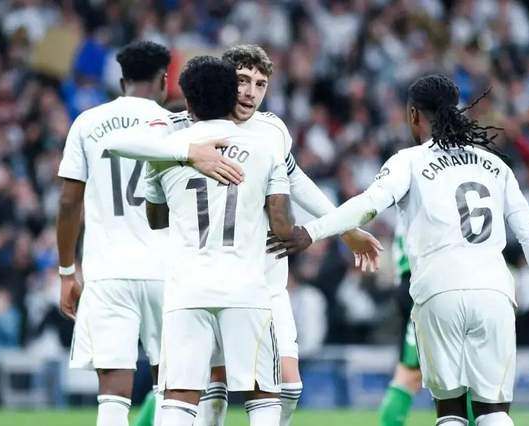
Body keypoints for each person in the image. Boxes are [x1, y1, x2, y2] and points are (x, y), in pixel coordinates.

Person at [273, 74, 529, 426]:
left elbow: (368, 205)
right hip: (494, 291)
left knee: (451, 410)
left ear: (413, 114)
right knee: (493, 411)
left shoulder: (409, 161)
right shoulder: (495, 165)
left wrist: (312, 230)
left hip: (437, 291)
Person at [120, 45, 383, 426]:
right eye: (243, 81)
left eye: (260, 84)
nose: (250, 92)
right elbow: (134, 146)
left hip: (265, 281)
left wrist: (346, 229)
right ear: (226, 82)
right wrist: (189, 153)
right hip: (223, 274)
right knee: (215, 384)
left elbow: (298, 181)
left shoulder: (272, 130)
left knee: (288, 387)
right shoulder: (183, 127)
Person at [56, 41, 242, 426]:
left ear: (122, 81)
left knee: (112, 391)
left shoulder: (87, 123)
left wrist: (66, 272)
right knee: (172, 387)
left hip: (108, 271)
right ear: (163, 79)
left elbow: (69, 201)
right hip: (168, 271)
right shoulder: (180, 125)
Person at [144, 55, 294, 426]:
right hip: (246, 288)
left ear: (187, 101)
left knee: (179, 397)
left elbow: (156, 219)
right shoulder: (265, 149)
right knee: (263, 397)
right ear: (231, 95)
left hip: (186, 289)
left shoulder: (167, 151)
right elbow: (282, 227)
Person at [379, 222, 475, 426]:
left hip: (415, 282)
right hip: (426, 284)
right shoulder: (428, 206)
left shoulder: (407, 207)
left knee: (458, 375)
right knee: (412, 374)